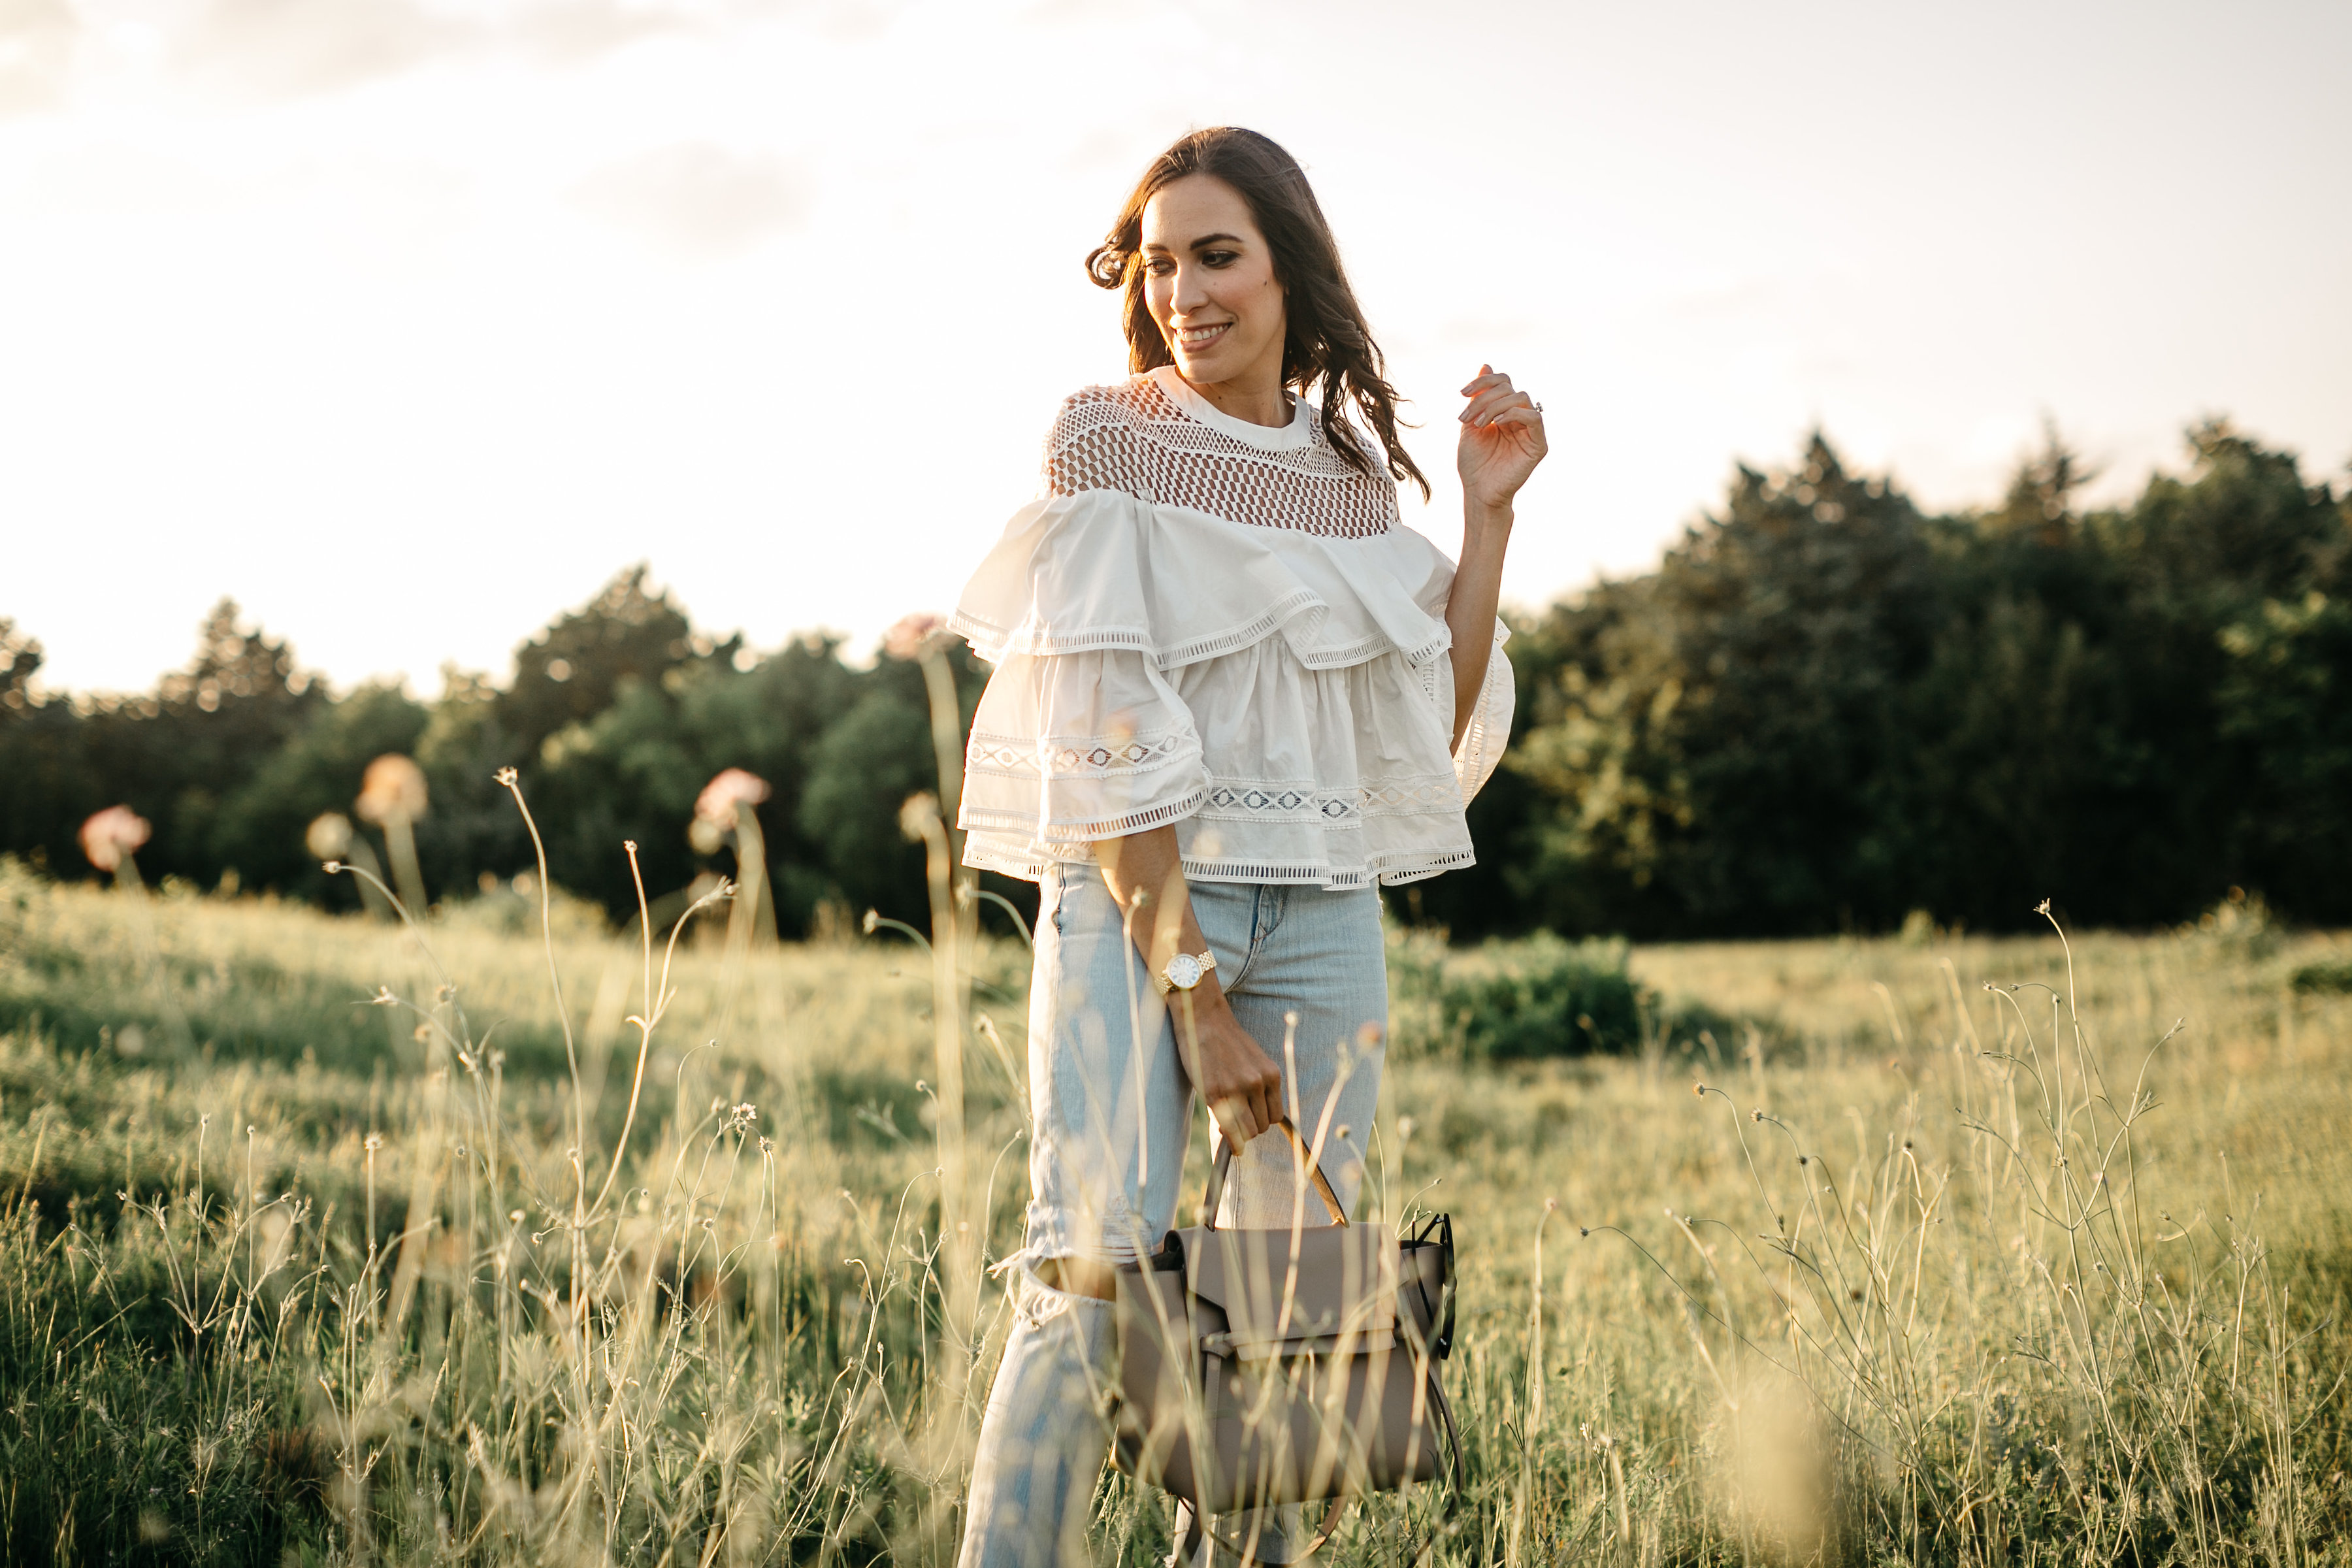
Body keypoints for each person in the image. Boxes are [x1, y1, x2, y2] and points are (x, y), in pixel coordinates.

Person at [949, 126, 1546, 1567]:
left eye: (1216, 255)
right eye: (1158, 263)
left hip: (1328, 914)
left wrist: (1482, 516)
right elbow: (1097, 732)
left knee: (1294, 1306)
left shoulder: (1347, 477)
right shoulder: (1110, 439)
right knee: (1090, 1269)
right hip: (1143, 906)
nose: (1183, 292)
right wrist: (1195, 993)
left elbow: (1418, 724)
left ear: (1290, 270)